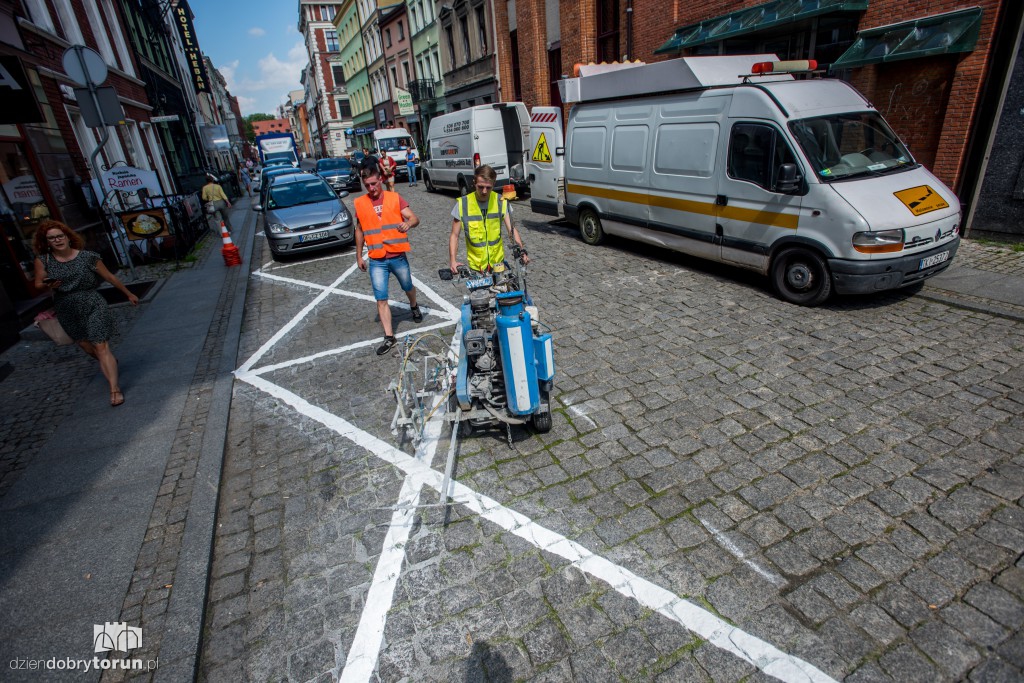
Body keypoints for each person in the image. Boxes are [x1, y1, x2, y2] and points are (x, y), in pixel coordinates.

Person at [33, 220, 139, 406]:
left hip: (92, 303)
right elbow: (37, 284)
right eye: (51, 238)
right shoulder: (44, 260)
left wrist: (128, 293)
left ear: (67, 236)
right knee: (87, 347)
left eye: (60, 236)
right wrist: (49, 284)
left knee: (100, 346)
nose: (57, 240)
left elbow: (109, 276)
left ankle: (114, 389)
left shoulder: (87, 256)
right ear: (46, 242)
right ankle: (110, 362)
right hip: (66, 307)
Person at [353, 166, 423, 355]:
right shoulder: (360, 203)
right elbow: (359, 230)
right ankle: (389, 337)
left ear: (381, 180)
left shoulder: (394, 198)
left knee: (407, 286)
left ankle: (414, 306)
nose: (371, 188)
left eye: (374, 184)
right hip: (376, 259)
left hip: (397, 255)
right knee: (381, 298)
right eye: (367, 185)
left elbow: (414, 218)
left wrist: (408, 223)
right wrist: (359, 255)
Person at [449, 165, 529, 275]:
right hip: (476, 268)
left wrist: (522, 251)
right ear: (474, 183)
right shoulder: (463, 204)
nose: (484, 191)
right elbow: (454, 235)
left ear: (494, 184)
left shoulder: (501, 201)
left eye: (488, 187)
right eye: (480, 187)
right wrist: (453, 261)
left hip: (498, 264)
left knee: (503, 290)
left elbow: (512, 229)